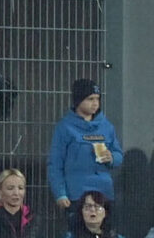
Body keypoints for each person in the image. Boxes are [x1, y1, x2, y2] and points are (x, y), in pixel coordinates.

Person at [47, 78, 122, 215]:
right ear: (78, 101)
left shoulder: (107, 126)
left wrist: (111, 157)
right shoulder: (65, 127)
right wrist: (61, 194)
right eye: (90, 99)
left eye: (97, 99)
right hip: (76, 195)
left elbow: (118, 155)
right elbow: (55, 165)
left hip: (104, 193)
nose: (95, 103)